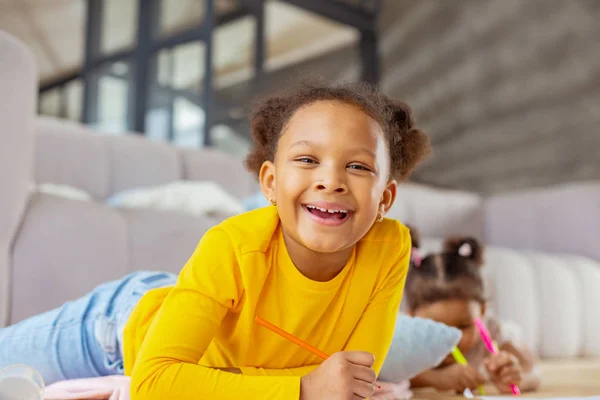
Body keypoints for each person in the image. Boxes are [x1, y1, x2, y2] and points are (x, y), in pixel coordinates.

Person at [0, 80, 431, 400]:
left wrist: (317, 384)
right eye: (306, 159)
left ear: (385, 198)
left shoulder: (389, 247)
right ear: (270, 182)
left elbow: (350, 382)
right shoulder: (233, 245)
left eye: (358, 167)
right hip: (118, 331)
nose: (330, 180)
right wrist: (299, 388)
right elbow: (154, 381)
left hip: (208, 328)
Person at [402, 231, 541, 395]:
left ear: (482, 311)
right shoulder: (404, 336)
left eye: (463, 326)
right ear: (412, 315)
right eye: (436, 328)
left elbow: (532, 370)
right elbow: (385, 375)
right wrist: (435, 378)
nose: (451, 339)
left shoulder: (492, 332)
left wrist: (514, 376)